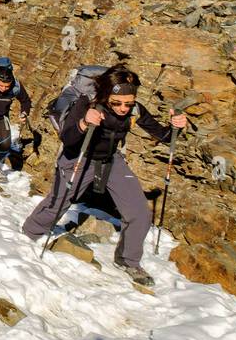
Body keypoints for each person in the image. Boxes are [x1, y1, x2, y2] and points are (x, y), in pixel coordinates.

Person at [21, 65, 187, 287]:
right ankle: (28, 234)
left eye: (128, 103)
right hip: (78, 156)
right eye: (116, 103)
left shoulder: (136, 110)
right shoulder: (86, 104)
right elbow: (68, 138)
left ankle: (128, 260)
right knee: (59, 203)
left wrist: (176, 127)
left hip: (111, 159)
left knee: (139, 212)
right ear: (106, 95)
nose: (123, 108)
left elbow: (164, 136)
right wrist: (83, 122)